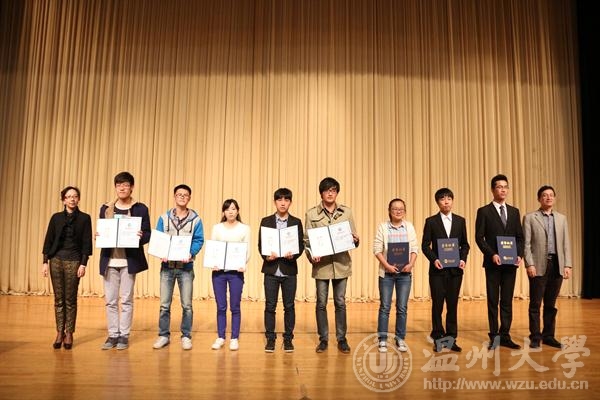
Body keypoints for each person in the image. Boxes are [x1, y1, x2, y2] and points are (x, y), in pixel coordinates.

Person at [304, 177, 359, 354]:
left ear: (337, 193)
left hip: (341, 264)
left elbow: (353, 237)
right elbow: (307, 241)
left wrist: (355, 240)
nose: (330, 193)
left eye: (333, 190)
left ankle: (342, 338)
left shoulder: (346, 212)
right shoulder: (311, 214)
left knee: (340, 302)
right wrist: (312, 255)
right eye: (327, 190)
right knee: (321, 302)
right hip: (322, 266)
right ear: (321, 193)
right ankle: (323, 339)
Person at [98, 171, 151, 350]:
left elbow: (148, 233)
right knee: (110, 300)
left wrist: (141, 236)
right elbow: (102, 230)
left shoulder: (141, 208)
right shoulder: (106, 208)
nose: (122, 188)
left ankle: (124, 335)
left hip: (129, 262)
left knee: (126, 300)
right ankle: (113, 335)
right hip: (109, 261)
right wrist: (99, 235)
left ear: (132, 187)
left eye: (126, 185)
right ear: (115, 187)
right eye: (119, 185)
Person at [152, 184, 204, 351]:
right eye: (179, 194)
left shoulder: (196, 220)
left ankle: (186, 336)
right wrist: (161, 252)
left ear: (189, 198)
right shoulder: (164, 218)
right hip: (167, 267)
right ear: (174, 197)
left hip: (186, 268)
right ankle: (163, 335)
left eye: (185, 195)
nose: (182, 197)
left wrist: (190, 252)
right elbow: (159, 238)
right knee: (164, 305)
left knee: (187, 305)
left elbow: (198, 240)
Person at [475, 174, 524, 350]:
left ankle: (505, 335)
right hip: (493, 263)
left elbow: (520, 237)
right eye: (499, 187)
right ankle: (494, 336)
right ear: (492, 189)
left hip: (511, 264)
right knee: (493, 300)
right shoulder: (484, 211)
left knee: (507, 300)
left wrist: (519, 255)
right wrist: (492, 254)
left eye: (505, 187)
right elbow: (479, 237)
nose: (503, 190)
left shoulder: (514, 212)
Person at [42, 186, 93, 350]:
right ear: (64, 200)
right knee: (58, 299)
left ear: (78, 199)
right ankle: (59, 332)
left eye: (75, 196)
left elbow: (86, 243)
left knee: (70, 299)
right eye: (69, 196)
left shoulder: (85, 218)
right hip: (56, 260)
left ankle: (69, 332)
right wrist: (45, 262)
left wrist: (83, 263)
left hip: (74, 260)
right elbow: (48, 240)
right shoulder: (56, 218)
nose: (72, 199)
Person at [523, 185, 572, 349]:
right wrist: (529, 263)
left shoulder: (561, 219)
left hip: (557, 265)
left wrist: (567, 265)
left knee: (551, 304)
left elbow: (566, 244)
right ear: (539, 199)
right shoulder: (530, 218)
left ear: (554, 198)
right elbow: (526, 244)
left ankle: (549, 336)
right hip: (538, 265)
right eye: (545, 195)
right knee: (535, 304)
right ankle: (535, 337)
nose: (548, 197)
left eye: (551, 195)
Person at [421, 188, 470, 353]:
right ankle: (438, 337)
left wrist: (463, 259)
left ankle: (451, 338)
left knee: (453, 305)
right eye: (442, 199)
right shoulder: (431, 221)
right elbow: (425, 245)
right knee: (437, 305)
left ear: (453, 200)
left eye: (449, 198)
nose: (446, 201)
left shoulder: (460, 221)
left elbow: (465, 244)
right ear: (438, 202)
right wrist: (434, 259)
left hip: (455, 271)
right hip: (438, 271)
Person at [258, 188, 305, 353]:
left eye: (286, 200)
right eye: (279, 200)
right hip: (271, 270)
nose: (283, 203)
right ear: (275, 202)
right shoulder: (266, 221)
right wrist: (266, 256)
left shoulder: (296, 222)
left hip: (289, 270)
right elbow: (260, 244)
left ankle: (288, 338)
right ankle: (270, 338)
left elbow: (301, 245)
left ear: (290, 202)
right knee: (270, 306)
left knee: (289, 306)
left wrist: (294, 255)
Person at [373, 198, 418, 353]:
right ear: (389, 211)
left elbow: (415, 249)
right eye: (395, 209)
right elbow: (377, 249)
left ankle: (400, 338)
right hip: (386, 274)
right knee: (385, 307)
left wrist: (411, 264)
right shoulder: (383, 227)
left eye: (401, 209)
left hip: (405, 274)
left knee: (402, 307)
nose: (398, 211)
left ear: (404, 211)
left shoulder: (409, 227)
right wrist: (387, 266)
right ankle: (382, 339)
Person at [210, 199, 251, 351]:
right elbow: (213, 248)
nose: (231, 212)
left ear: (237, 211)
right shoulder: (217, 228)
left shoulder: (245, 228)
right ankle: (221, 337)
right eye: (227, 209)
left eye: (233, 209)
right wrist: (213, 262)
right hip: (219, 273)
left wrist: (242, 263)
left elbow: (247, 250)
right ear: (224, 212)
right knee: (221, 306)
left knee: (235, 306)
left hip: (236, 273)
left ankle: (234, 338)